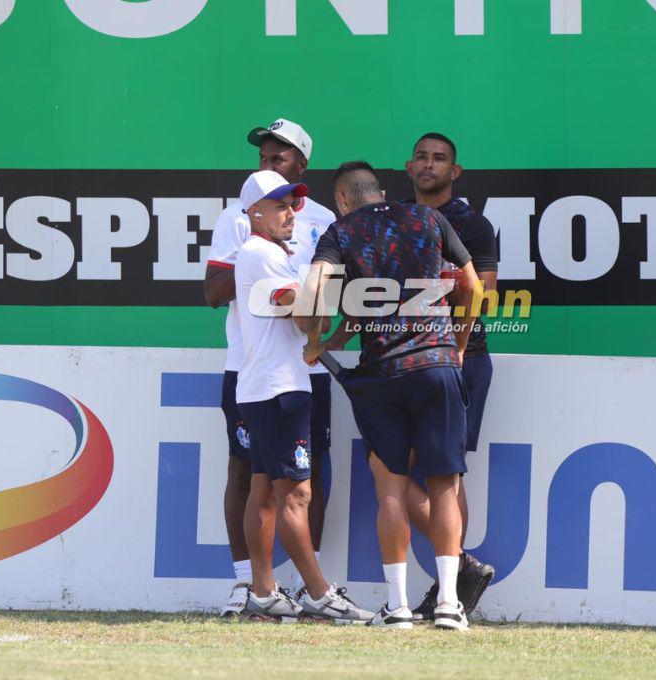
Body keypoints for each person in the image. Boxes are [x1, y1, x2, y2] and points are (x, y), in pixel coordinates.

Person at [302, 162, 481, 631]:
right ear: (381, 192)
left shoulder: (340, 232)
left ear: (343, 200)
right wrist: (458, 346)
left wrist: (314, 339)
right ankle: (448, 604)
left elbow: (314, 288)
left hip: (381, 375)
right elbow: (473, 285)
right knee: (445, 483)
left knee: (391, 490)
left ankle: (398, 607)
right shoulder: (426, 218)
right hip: (437, 365)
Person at [203, 119, 336, 616]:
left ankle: (304, 587)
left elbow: (330, 301)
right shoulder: (241, 218)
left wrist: (306, 288)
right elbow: (214, 293)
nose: (267, 163)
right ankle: (248, 585)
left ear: (302, 164)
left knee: (310, 472)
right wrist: (259, 264)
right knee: (247, 471)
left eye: (279, 157)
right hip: (250, 363)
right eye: (263, 155)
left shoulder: (322, 218)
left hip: (308, 366)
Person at [233, 170, 371, 624]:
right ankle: (318, 594)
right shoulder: (261, 252)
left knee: (264, 490)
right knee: (296, 496)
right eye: (279, 205)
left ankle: (263, 591)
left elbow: (301, 315)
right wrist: (324, 277)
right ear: (255, 212)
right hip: (279, 388)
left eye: (293, 204)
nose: (290, 212)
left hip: (265, 386)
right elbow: (303, 314)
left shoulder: (270, 253)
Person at [403, 132, 499, 621]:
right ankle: (458, 570)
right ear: (407, 166)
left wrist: (457, 347)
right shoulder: (398, 219)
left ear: (454, 172)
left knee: (446, 469)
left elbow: (483, 295)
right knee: (394, 472)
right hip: (406, 360)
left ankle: (451, 587)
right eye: (421, 156)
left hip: (461, 359)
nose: (429, 164)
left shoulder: (472, 225)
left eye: (439, 159)